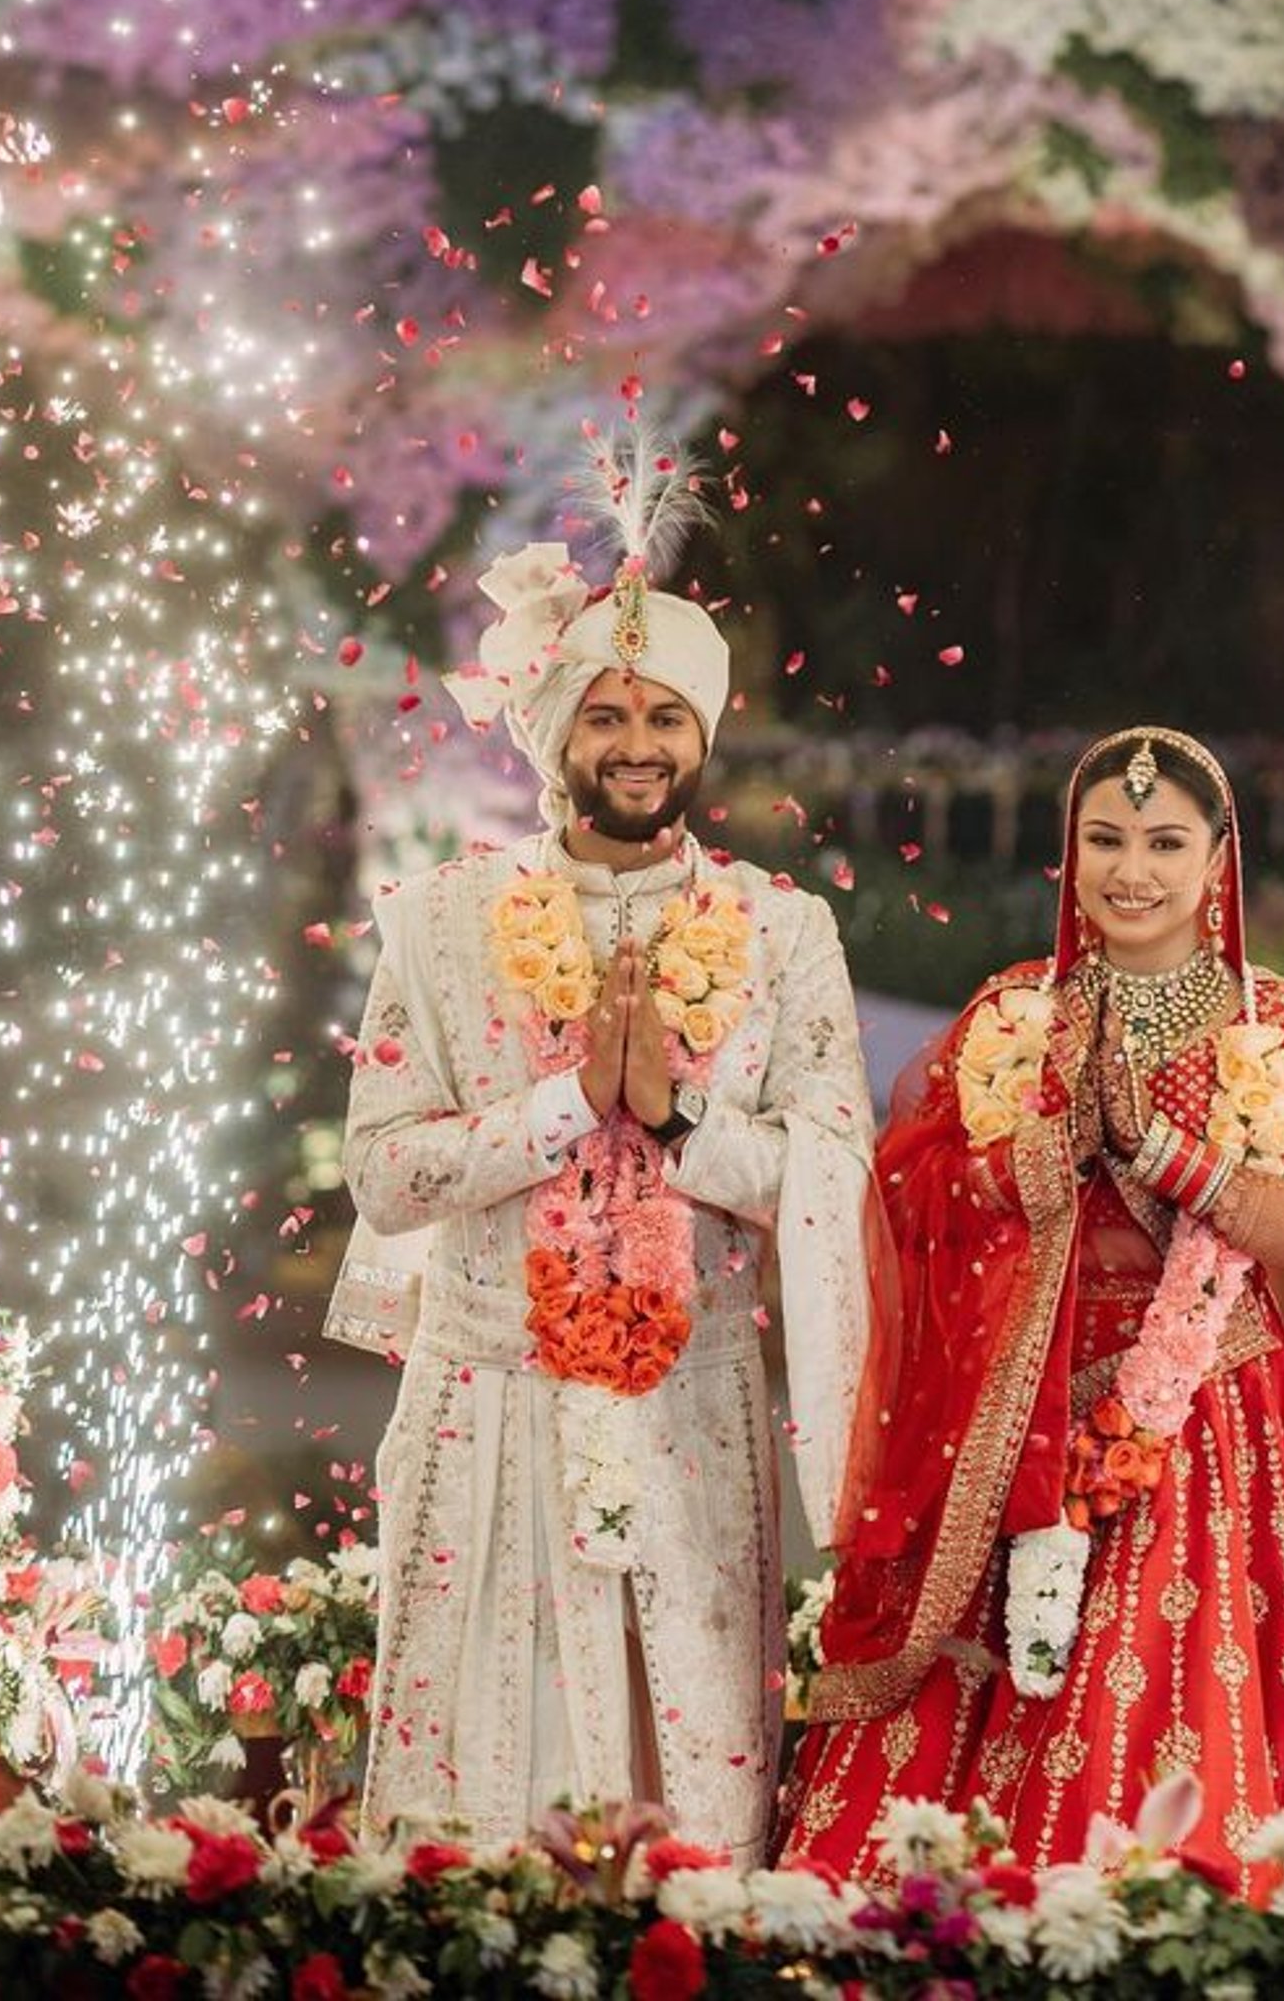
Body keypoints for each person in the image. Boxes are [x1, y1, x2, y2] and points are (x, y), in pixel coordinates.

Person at [780, 726, 1284, 1884]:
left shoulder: (1278, 1022)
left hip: (1206, 1422)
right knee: (1002, 1704)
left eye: (1164, 841)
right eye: (1105, 839)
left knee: (1163, 1689)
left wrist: (1163, 1153)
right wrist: (1047, 1158)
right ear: (1072, 854)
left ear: (1219, 863)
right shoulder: (1013, 1012)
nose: (1132, 868)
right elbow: (913, 1192)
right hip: (1019, 1415)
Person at [329, 441, 874, 1857]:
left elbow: (834, 1188)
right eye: (607, 714)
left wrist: (676, 1121)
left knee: (686, 1793)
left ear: (708, 734)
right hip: (487, 1393)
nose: (638, 743)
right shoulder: (442, 924)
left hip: (689, 1409)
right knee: (482, 1797)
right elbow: (385, 1174)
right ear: (552, 728)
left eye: (668, 716)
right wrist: (569, 1105)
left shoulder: (782, 932)